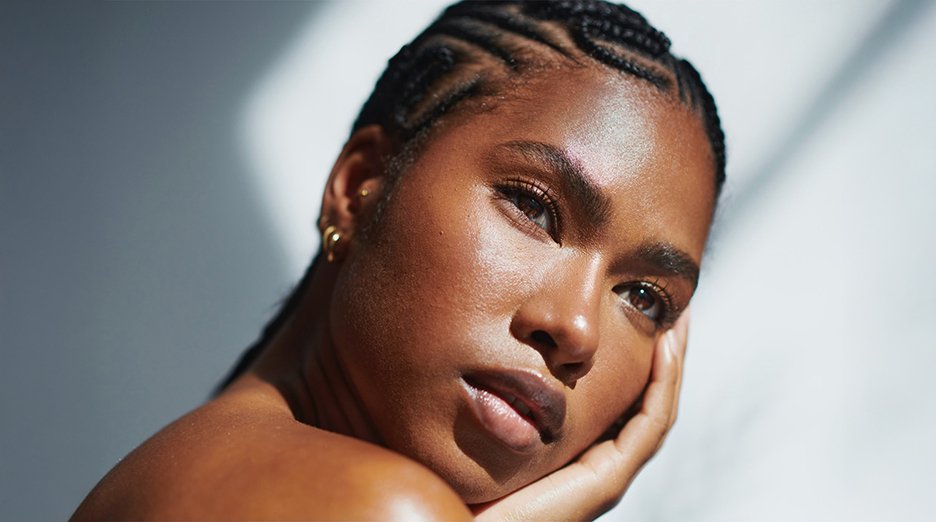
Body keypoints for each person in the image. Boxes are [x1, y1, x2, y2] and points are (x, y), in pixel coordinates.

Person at [72, 0, 725, 519]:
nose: (577, 330)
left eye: (644, 297)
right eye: (533, 207)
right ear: (360, 186)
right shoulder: (381, 505)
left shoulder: (183, 468)